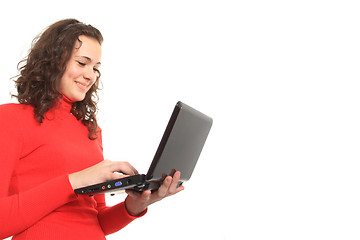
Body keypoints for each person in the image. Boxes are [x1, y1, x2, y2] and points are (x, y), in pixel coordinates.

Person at [0, 18, 184, 240]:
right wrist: (77, 181)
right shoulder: (10, 118)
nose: (90, 75)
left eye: (95, 67)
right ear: (53, 61)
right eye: (82, 63)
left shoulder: (91, 132)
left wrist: (133, 206)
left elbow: (97, 219)